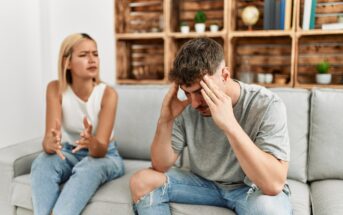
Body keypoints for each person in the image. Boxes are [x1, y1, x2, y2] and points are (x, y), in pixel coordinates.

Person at [129, 37, 292, 214]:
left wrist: (230, 125)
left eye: (201, 91)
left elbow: (273, 184)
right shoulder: (187, 106)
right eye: (188, 93)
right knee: (141, 181)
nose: (194, 103)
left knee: (270, 210)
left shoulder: (266, 104)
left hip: (250, 189)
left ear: (225, 75)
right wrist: (165, 121)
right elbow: (160, 166)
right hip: (202, 185)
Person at [30, 33, 124, 215]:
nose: (92, 60)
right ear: (68, 62)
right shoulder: (55, 89)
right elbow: (49, 142)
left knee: (88, 168)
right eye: (83, 55)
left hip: (106, 156)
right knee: (42, 162)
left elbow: (101, 150)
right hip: (71, 150)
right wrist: (49, 143)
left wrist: (91, 141)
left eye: (95, 54)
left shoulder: (107, 94)